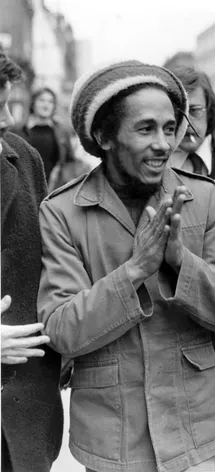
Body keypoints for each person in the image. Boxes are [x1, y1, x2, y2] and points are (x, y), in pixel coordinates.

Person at [37, 60, 215, 472]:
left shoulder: (204, 199)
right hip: (111, 437)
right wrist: (134, 271)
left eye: (170, 128)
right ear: (103, 136)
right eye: (145, 128)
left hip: (195, 432)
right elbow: (61, 329)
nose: (164, 143)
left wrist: (179, 261)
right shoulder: (62, 212)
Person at [0, 52, 63, 471]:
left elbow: (47, 263)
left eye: (9, 103)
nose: (6, 118)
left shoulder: (24, 156)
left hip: (23, 394)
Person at [13, 86, 91, 192]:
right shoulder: (20, 130)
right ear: (33, 103)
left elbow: (69, 160)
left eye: (50, 102)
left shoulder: (62, 131)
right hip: (24, 188)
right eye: (42, 100)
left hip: (53, 187)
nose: (46, 104)